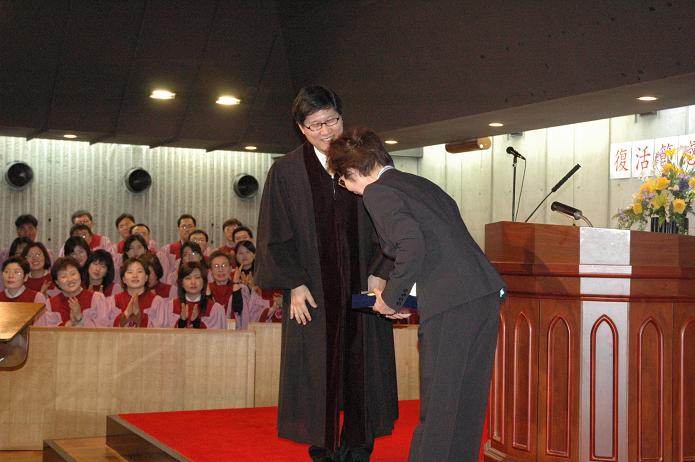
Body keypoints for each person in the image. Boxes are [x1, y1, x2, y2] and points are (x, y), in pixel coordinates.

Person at [328, 128, 506, 462]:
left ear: (351, 171)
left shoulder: (377, 192)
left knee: (439, 405)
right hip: (482, 293)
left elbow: (411, 245)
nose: (347, 188)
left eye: (342, 180)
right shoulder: (419, 184)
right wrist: (403, 295)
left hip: (452, 305)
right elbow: (438, 246)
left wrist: (389, 299)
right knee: (466, 401)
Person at [256, 85, 397, 462]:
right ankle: (324, 451)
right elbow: (273, 234)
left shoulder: (367, 161)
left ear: (341, 117)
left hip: (364, 286)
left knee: (363, 367)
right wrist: (294, 283)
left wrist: (381, 271)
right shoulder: (286, 172)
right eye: (315, 124)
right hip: (315, 291)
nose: (325, 131)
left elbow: (393, 221)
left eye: (331, 120)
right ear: (301, 128)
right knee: (318, 373)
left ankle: (360, 450)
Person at [42, 257, 117, 327]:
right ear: (57, 282)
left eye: (73, 274)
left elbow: (103, 329)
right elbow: (48, 332)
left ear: (79, 275)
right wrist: (70, 323)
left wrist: (80, 317)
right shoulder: (51, 303)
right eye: (64, 276)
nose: (70, 279)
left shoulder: (97, 298)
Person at [112, 258, 167, 328]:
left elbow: (159, 332)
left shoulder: (157, 302)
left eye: (139, 271)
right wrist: (124, 317)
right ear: (124, 279)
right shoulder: (113, 301)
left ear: (146, 277)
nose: (135, 275)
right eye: (130, 272)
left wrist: (139, 318)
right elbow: (105, 329)